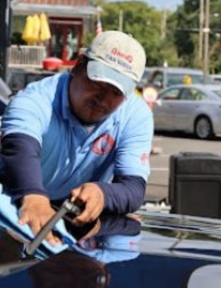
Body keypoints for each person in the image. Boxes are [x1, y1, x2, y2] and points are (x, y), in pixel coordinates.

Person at [0, 30, 153, 246]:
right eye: (97, 83)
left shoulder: (136, 115)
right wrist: (33, 196)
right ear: (78, 65)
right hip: (10, 200)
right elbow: (21, 149)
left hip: (67, 220)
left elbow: (134, 189)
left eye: (115, 92)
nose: (102, 99)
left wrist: (103, 193)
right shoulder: (35, 99)